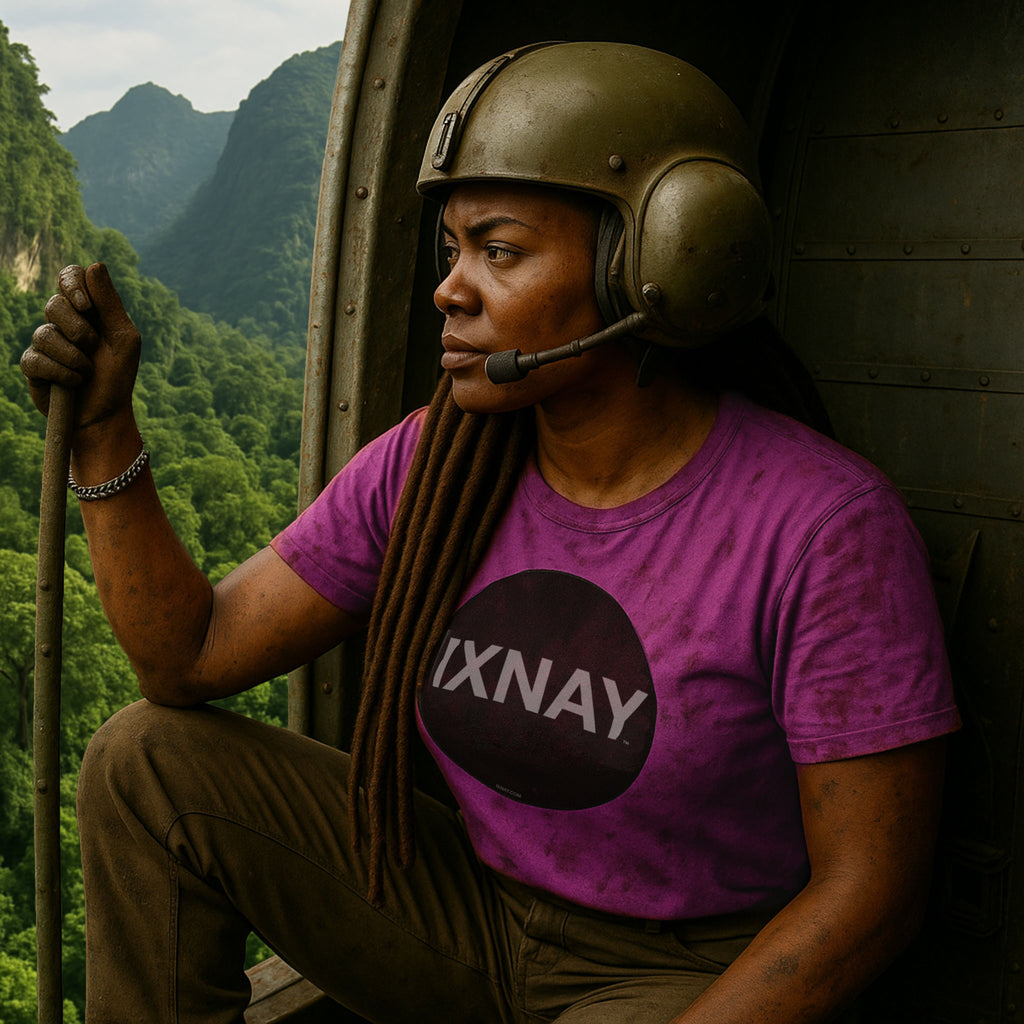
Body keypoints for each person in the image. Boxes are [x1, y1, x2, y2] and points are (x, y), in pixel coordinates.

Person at [22, 41, 959, 1024]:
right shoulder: (437, 465)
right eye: (452, 250)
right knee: (142, 761)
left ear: (656, 266)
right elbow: (190, 655)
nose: (450, 289)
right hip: (469, 911)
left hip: (669, 969)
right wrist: (103, 432)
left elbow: (869, 894)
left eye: (499, 251)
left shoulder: (823, 530)